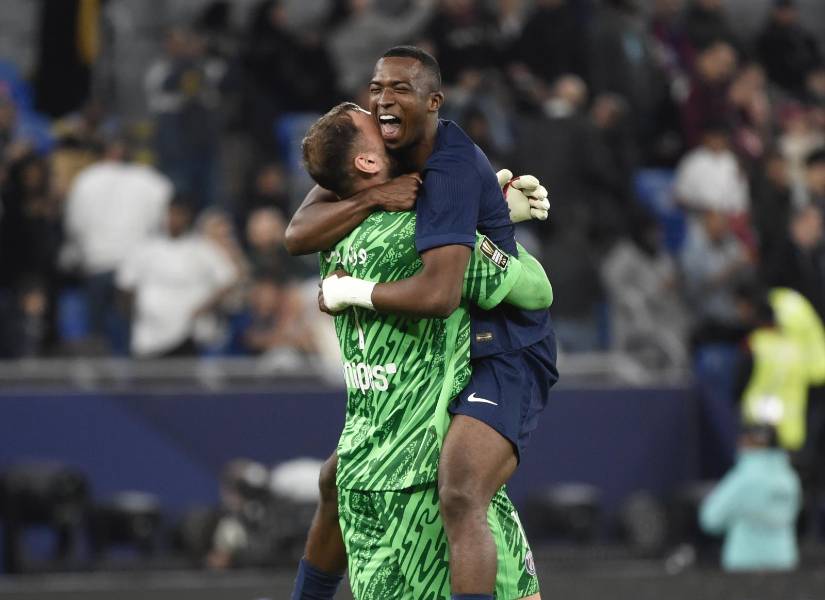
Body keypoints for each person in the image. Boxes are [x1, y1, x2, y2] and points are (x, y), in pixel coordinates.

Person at [286, 47, 556, 600]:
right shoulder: (381, 155)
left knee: (457, 488)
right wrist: (375, 198)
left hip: (504, 344)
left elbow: (452, 293)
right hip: (447, 335)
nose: (383, 101)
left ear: (434, 101)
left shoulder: (448, 171)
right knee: (341, 479)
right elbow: (297, 231)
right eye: (376, 89)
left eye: (399, 90)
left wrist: (351, 292)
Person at [115, 197, 238, 358]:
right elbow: (125, 285)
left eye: (179, 214)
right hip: (149, 336)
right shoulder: (145, 249)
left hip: (189, 337)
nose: (174, 219)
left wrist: (204, 308)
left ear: (188, 217)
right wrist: (141, 311)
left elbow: (228, 280)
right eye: (171, 214)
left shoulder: (203, 248)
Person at [699, 424, 801, 572]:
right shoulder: (790, 478)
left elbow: (710, 519)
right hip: (783, 559)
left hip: (746, 563)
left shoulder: (744, 478)